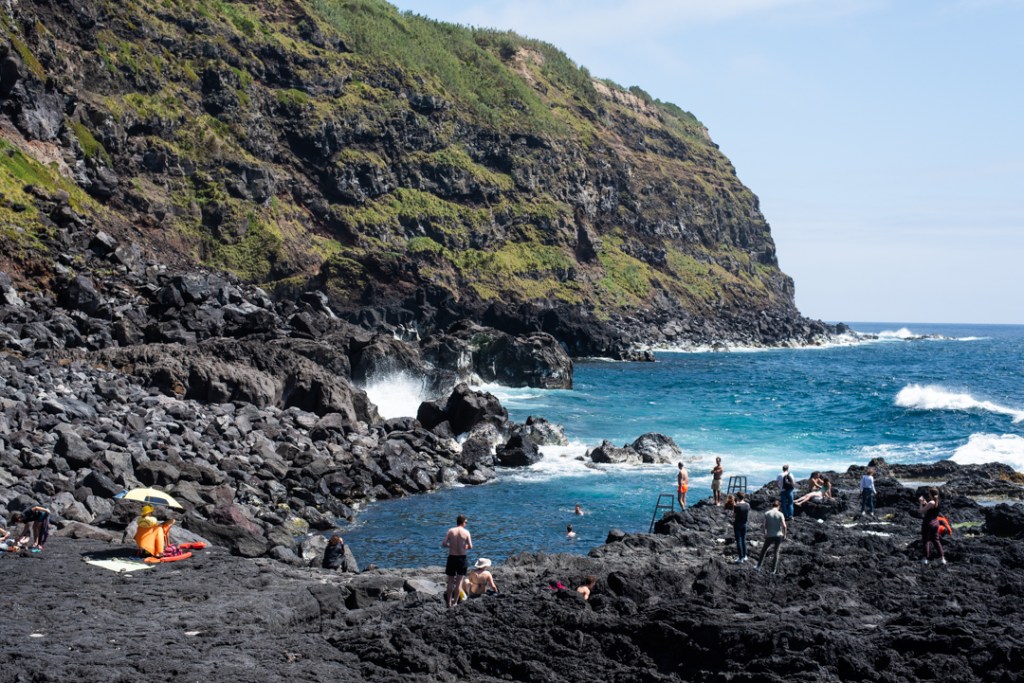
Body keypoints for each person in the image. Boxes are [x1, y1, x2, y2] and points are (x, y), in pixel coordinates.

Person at [442, 514, 472, 608]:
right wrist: (465, 547)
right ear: (463, 522)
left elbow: (443, 543)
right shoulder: (466, 532)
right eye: (466, 522)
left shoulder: (451, 531)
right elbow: (470, 546)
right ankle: (455, 603)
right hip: (462, 558)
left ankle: (448, 602)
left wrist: (450, 546)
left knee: (450, 581)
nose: (466, 524)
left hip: (452, 557)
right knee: (459, 582)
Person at [755, 499, 788, 573]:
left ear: (772, 506)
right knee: (776, 552)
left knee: (764, 550)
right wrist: (784, 535)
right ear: (778, 506)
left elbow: (763, 525)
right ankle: (773, 570)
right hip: (778, 535)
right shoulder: (780, 514)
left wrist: (765, 533)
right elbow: (784, 526)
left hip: (769, 535)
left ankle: (758, 567)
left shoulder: (767, 513)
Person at [919, 487, 946, 565]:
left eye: (929, 493)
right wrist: (924, 502)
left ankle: (925, 559)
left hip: (928, 522)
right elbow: (930, 508)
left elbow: (921, 511)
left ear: (931, 494)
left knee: (926, 541)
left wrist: (921, 503)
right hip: (936, 523)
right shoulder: (937, 501)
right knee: (936, 540)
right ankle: (942, 558)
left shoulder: (931, 502)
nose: (928, 494)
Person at [732, 492, 750, 563]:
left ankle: (740, 558)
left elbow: (733, 516)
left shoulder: (737, 506)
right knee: (743, 540)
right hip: (744, 523)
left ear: (738, 497)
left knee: (739, 541)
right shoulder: (748, 505)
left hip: (737, 524)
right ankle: (745, 556)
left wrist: (734, 506)